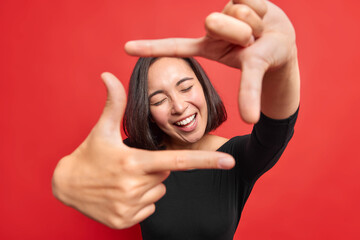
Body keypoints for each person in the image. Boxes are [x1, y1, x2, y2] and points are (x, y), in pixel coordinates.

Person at [52, 0, 300, 239]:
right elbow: (82, 168)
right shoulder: (135, 158)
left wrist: (285, 63)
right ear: (147, 112)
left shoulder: (232, 159)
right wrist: (63, 182)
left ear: (203, 86)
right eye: (159, 100)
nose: (179, 107)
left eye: (185, 87)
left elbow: (274, 132)